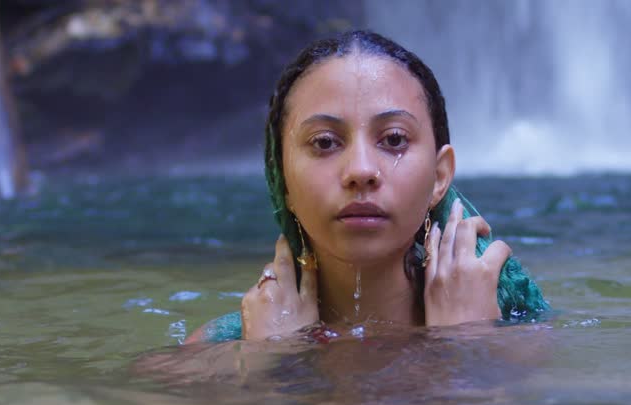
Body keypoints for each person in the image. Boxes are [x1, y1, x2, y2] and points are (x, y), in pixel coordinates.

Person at [185, 30, 548, 344]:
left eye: (393, 139)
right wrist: (270, 358)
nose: (360, 170)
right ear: (283, 181)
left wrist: (467, 338)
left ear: (439, 177)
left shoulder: (520, 338)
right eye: (325, 143)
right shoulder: (221, 350)